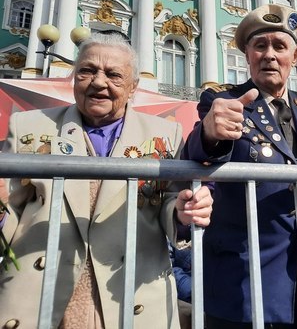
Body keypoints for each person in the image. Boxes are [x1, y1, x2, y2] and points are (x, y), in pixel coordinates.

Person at [0, 32, 213, 328]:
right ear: (73, 77)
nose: (99, 82)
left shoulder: (165, 134)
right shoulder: (30, 126)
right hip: (41, 299)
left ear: (133, 87)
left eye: (113, 75)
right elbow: (9, 209)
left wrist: (183, 210)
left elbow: (168, 203)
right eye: (87, 71)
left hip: (130, 299)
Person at [184, 4, 297, 328]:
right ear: (247, 55)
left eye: (279, 46)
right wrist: (210, 133)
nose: (270, 54)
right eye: (260, 46)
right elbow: (199, 153)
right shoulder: (223, 101)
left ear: (294, 57)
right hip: (244, 285)